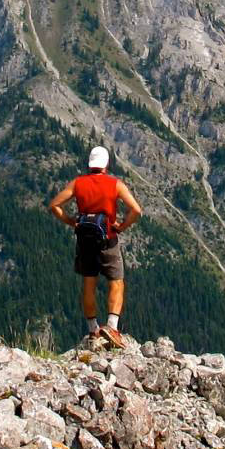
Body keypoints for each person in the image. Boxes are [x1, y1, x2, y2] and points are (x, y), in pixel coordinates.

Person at [46, 146, 143, 348]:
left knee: (89, 284)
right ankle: (112, 327)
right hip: (108, 238)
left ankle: (93, 331)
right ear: (106, 165)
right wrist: (122, 226)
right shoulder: (115, 184)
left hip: (85, 240)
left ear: (90, 164)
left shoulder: (78, 183)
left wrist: (72, 222)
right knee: (116, 282)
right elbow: (136, 210)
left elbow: (54, 205)